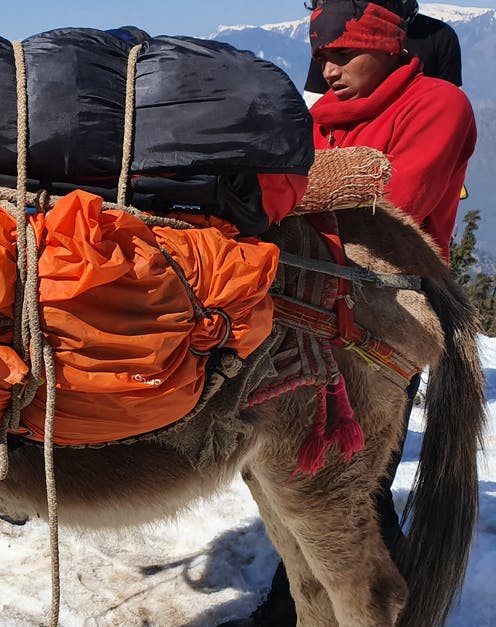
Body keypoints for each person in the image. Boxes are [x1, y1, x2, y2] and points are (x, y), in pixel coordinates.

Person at [224, 2, 475, 625]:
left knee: (348, 484)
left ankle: (357, 608)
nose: (327, 69)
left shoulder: (439, 105)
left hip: (388, 314)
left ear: (388, 47)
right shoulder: (322, 118)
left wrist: (290, 191)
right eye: (322, 56)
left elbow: (392, 211)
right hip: (313, 307)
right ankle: (316, 607)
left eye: (342, 55)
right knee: (302, 467)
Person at [303, 0, 461, 96]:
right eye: (323, 59)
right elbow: (313, 110)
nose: (330, 72)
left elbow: (452, 113)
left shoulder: (440, 37)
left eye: (344, 53)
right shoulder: (331, 42)